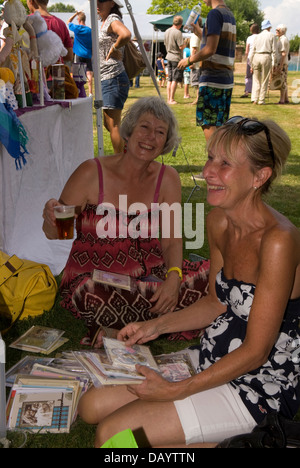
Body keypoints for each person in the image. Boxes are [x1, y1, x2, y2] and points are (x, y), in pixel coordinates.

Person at [77, 116, 300, 449]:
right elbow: (215, 302)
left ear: (260, 176)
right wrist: (155, 327)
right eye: (210, 157)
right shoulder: (219, 221)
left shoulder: (279, 241)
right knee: (91, 406)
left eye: (225, 164)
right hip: (215, 355)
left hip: (259, 382)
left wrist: (177, 390)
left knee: (113, 439)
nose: (208, 171)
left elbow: (258, 351)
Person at [42, 97, 210, 345]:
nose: (150, 136)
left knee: (216, 276)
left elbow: (173, 240)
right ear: (129, 132)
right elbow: (56, 233)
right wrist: (49, 217)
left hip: (152, 276)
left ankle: (127, 327)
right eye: (144, 127)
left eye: (160, 131)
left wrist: (174, 278)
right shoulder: (91, 172)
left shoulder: (168, 178)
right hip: (97, 279)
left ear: (165, 142)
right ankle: (165, 321)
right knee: (90, 294)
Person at [178, 0, 236, 143]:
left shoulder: (214, 14)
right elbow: (216, 42)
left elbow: (211, 49)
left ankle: (216, 161)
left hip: (213, 78)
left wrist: (189, 60)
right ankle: (223, 161)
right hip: (225, 79)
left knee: (208, 124)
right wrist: (199, 32)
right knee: (220, 126)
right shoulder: (229, 14)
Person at [96, 0, 131, 153]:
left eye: (102, 0)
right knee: (108, 123)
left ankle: (121, 161)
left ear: (111, 3)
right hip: (108, 78)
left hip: (113, 76)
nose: (98, 3)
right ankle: (127, 153)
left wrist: (115, 47)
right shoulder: (104, 22)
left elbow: (126, 34)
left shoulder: (112, 19)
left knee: (113, 124)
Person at [26, 0, 73, 65]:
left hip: (35, 72)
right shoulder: (60, 23)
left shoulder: (28, 22)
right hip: (57, 72)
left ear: (31, 1)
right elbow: (69, 56)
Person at [249, 19, 277, 105]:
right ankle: (261, 100)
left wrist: (251, 64)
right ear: (269, 27)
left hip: (256, 56)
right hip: (266, 56)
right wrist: (274, 63)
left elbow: (252, 51)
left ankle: (255, 99)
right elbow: (274, 51)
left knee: (256, 79)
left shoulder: (257, 36)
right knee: (265, 79)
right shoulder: (272, 35)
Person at [67, 11, 93, 97]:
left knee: (78, 76)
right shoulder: (90, 30)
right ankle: (90, 92)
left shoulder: (77, 28)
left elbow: (68, 22)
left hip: (78, 54)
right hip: (88, 54)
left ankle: (79, 91)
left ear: (78, 20)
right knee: (89, 74)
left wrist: (75, 14)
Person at [164, 15, 185, 105]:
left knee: (169, 79)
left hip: (168, 56)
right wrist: (185, 45)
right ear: (180, 24)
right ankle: (172, 99)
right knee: (175, 79)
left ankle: (168, 98)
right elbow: (181, 46)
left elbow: (165, 43)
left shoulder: (167, 31)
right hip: (176, 57)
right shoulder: (178, 32)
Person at [240, 23, 259, 99]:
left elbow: (247, 51)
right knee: (257, 75)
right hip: (258, 56)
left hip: (250, 58)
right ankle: (257, 92)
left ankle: (247, 91)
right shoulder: (260, 37)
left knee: (248, 75)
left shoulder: (249, 38)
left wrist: (246, 57)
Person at [275, 24, 290, 105]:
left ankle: (282, 100)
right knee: (284, 80)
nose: (276, 31)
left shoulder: (283, 40)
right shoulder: (281, 39)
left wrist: (280, 65)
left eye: (278, 30)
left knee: (282, 81)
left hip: (283, 63)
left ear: (282, 31)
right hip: (283, 63)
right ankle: (286, 98)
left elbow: (283, 54)